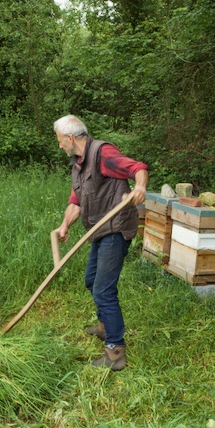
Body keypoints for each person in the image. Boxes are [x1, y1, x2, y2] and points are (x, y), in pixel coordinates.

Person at [53, 115, 148, 371]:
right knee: (91, 281)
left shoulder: (102, 153)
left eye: (60, 141)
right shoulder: (79, 165)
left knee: (103, 289)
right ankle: (106, 326)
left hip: (116, 228)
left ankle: (115, 351)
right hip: (99, 230)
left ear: (70, 138)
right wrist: (64, 226)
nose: (60, 146)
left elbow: (137, 167)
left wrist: (139, 187)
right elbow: (76, 200)